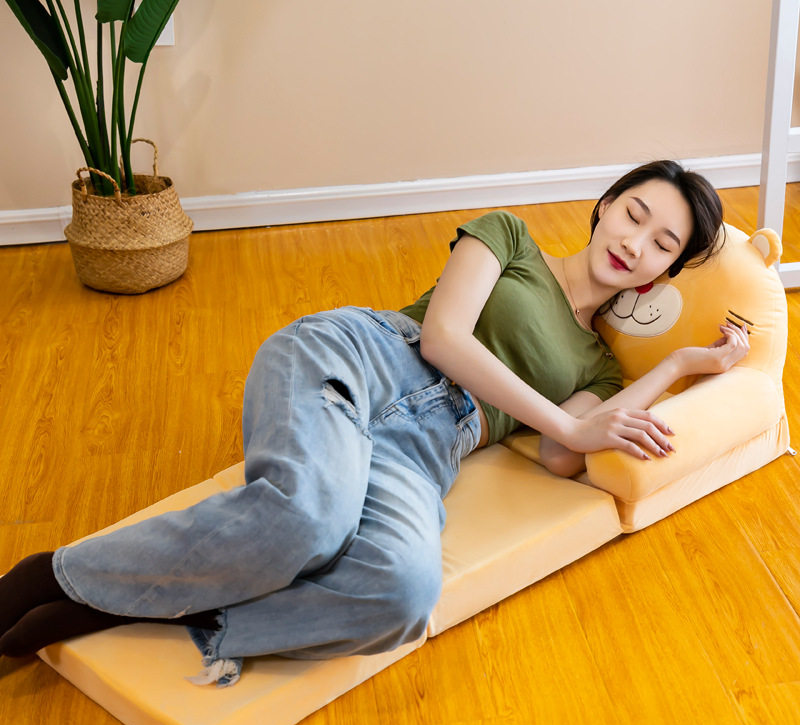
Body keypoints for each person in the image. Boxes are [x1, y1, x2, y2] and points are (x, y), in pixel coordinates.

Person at [0, 160, 749, 685]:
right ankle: (49, 576)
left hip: (427, 449)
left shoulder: (600, 370)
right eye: (634, 214)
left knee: (402, 595)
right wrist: (574, 425)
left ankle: (136, 609)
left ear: (664, 273)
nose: (634, 243)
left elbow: (561, 452)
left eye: (662, 245)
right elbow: (443, 338)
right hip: (361, 360)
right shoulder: (511, 238)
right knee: (308, 521)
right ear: (605, 206)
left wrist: (678, 365)